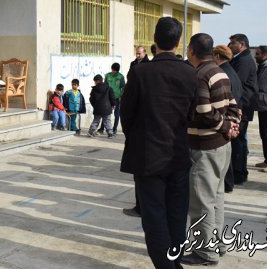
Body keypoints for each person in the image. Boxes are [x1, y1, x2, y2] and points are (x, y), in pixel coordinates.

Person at [120, 17, 197, 269]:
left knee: (154, 218)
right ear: (178, 41)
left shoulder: (141, 72)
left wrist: (138, 139)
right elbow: (192, 114)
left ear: (155, 39)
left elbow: (127, 114)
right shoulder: (190, 73)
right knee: (176, 215)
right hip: (178, 154)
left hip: (148, 156)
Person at [181, 33, 240, 266]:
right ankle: (218, 245)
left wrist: (226, 126)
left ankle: (205, 252)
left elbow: (205, 111)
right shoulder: (219, 72)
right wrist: (231, 127)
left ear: (192, 51)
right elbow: (234, 104)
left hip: (205, 147)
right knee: (216, 198)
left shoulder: (199, 75)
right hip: (222, 145)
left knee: (201, 202)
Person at [229, 34, 258, 185]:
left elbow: (236, 83)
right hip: (241, 105)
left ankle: (239, 173)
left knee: (238, 141)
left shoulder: (244, 61)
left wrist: (236, 107)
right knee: (240, 141)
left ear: (241, 45)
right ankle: (239, 171)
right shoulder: (240, 58)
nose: (230, 45)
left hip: (242, 106)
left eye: (232, 43)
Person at [213, 45, 243, 193]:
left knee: (224, 158)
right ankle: (228, 184)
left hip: (226, 118)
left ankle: (227, 184)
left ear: (218, 57)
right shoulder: (232, 71)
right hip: (232, 116)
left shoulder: (222, 72)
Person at [97, 63, 125, 135]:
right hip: (108, 98)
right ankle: (102, 128)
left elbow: (123, 88)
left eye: (115, 70)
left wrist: (121, 97)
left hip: (117, 98)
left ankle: (114, 129)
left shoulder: (121, 77)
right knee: (105, 112)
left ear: (117, 71)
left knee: (116, 114)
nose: (113, 71)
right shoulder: (107, 75)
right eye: (112, 69)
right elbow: (105, 86)